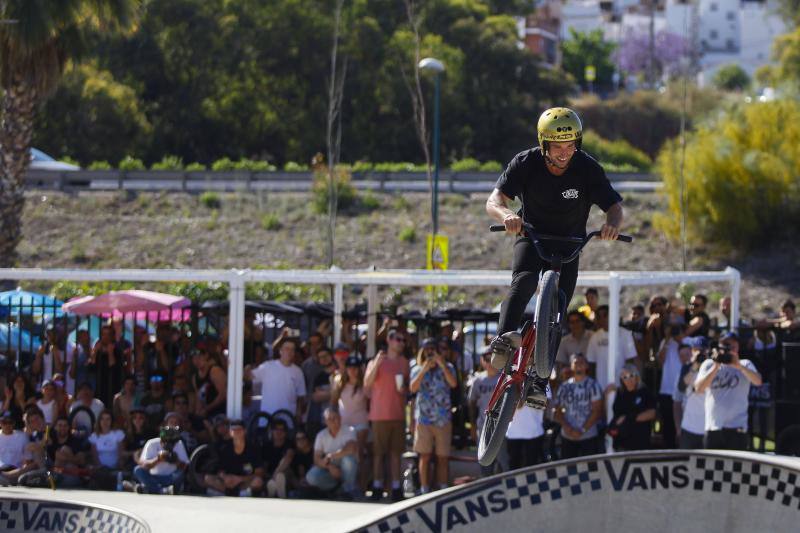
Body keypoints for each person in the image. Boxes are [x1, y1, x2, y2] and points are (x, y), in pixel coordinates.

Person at [485, 106, 624, 408]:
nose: (564, 153)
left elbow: (614, 206)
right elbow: (494, 200)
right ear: (544, 144)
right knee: (523, 281)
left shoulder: (587, 168)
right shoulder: (525, 163)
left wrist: (612, 225)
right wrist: (507, 215)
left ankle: (539, 382)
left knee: (558, 309)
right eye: (558, 146)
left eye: (571, 145)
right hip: (531, 235)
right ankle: (504, 337)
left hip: (570, 243)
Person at [694, 332, 762, 450]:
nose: (729, 349)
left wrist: (739, 366)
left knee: (736, 467)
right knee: (711, 466)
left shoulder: (745, 364)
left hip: (737, 428)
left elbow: (758, 381)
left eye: (732, 346)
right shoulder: (708, 364)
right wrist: (716, 366)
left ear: (738, 347)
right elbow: (699, 389)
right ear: (719, 346)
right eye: (725, 345)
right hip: (714, 427)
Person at [364, 329, 409, 502]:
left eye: (403, 340)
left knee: (395, 453)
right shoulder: (377, 361)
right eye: (398, 339)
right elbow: (367, 383)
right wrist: (376, 363)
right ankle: (376, 486)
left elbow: (406, 387)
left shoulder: (404, 362)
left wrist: (403, 389)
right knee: (378, 454)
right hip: (379, 415)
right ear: (389, 340)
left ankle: (396, 488)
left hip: (397, 414)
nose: (401, 343)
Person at [409, 338, 457, 494]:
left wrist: (442, 364)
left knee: (442, 457)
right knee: (424, 456)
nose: (430, 352)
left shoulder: (448, 367)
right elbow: (413, 388)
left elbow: (453, 384)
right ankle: (424, 489)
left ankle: (442, 488)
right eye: (427, 349)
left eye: (433, 349)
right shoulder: (416, 369)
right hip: (424, 419)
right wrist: (424, 369)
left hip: (443, 420)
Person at [553, 354, 603, 459]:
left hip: (588, 436)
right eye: (575, 363)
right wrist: (569, 429)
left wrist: (582, 430)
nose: (579, 365)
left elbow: (597, 411)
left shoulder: (593, 385)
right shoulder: (564, 386)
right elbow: (556, 411)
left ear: (587, 366)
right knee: (568, 471)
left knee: (590, 469)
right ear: (571, 366)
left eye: (582, 363)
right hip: (567, 436)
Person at [246, 338, 306, 424]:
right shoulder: (267, 367)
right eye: (287, 349)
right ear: (280, 351)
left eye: (292, 349)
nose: (289, 352)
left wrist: (298, 413)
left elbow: (300, 396)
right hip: (268, 417)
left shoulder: (298, 371)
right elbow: (249, 377)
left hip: (288, 418)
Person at [468, 346, 506, 476]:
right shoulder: (477, 381)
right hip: (483, 427)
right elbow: (471, 404)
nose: (490, 362)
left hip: (501, 427)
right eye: (486, 358)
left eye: (492, 358)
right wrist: (472, 426)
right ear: (482, 360)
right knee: (484, 461)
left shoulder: (504, 378)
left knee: (502, 461)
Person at [306, 407, 358, 499]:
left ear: (340, 418)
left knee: (348, 460)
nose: (334, 421)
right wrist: (329, 467)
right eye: (330, 419)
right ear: (325, 422)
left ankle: (348, 489)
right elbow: (316, 459)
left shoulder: (350, 430)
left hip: (344, 465)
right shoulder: (321, 435)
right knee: (311, 476)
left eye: (335, 418)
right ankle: (336, 489)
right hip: (329, 467)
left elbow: (351, 448)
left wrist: (331, 456)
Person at [585, 305, 638, 393]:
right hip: (600, 387)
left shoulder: (625, 334)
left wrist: (627, 383)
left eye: (605, 315)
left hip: (621, 387)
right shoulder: (594, 337)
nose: (602, 318)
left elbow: (630, 362)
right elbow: (591, 364)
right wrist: (593, 388)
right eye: (599, 316)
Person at [204, 419, 264, 497]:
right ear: (230, 432)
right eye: (233, 430)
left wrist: (240, 479)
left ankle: (236, 493)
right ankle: (230, 493)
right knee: (208, 478)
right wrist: (225, 477)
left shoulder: (252, 449)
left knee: (258, 482)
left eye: (239, 429)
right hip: (228, 482)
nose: (236, 432)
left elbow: (259, 473)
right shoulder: (225, 449)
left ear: (244, 431)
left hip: (245, 482)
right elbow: (219, 470)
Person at [609, 365, 656, 451]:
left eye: (631, 375)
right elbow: (616, 414)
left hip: (640, 443)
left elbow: (652, 413)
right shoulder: (620, 393)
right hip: (621, 443)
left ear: (637, 376)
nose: (629, 379)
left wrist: (628, 418)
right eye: (625, 377)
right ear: (621, 379)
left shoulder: (644, 391)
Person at [133, 425, 189, 494]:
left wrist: (176, 461)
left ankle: (148, 488)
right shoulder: (151, 443)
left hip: (171, 478)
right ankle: (162, 490)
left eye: (171, 442)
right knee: (138, 470)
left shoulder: (179, 444)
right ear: (161, 439)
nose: (168, 444)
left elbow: (185, 466)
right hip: (153, 477)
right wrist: (157, 459)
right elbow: (144, 465)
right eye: (165, 441)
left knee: (180, 474)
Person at [674, 338, 707, 449]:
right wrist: (694, 367)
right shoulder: (687, 367)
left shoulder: (713, 368)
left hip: (707, 427)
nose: (699, 354)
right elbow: (681, 387)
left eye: (702, 351)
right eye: (696, 350)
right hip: (689, 427)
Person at [656, 324, 685, 448]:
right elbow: (660, 361)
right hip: (666, 391)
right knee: (668, 426)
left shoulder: (687, 341)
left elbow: (686, 357)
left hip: (682, 391)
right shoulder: (665, 342)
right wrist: (667, 340)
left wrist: (679, 339)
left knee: (682, 425)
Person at [505, 402, 545, 470]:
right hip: (513, 434)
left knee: (533, 470)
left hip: (534, 434)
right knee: (514, 469)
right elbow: (509, 407)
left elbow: (542, 403)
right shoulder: (509, 390)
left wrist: (523, 398)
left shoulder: (542, 390)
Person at [555, 311, 593, 377]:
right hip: (572, 380)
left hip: (592, 377)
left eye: (577, 321)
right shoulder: (564, 341)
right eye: (572, 322)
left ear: (583, 322)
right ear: (569, 325)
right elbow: (560, 364)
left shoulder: (593, 337)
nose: (575, 324)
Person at [264, 418, 295, 498]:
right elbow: (264, 465)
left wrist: (276, 473)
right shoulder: (266, 446)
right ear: (272, 431)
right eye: (276, 429)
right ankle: (275, 488)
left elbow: (289, 458)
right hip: (270, 475)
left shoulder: (289, 443)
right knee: (274, 478)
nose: (279, 432)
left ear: (285, 432)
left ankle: (275, 487)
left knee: (281, 472)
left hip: (287, 474)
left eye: (282, 430)